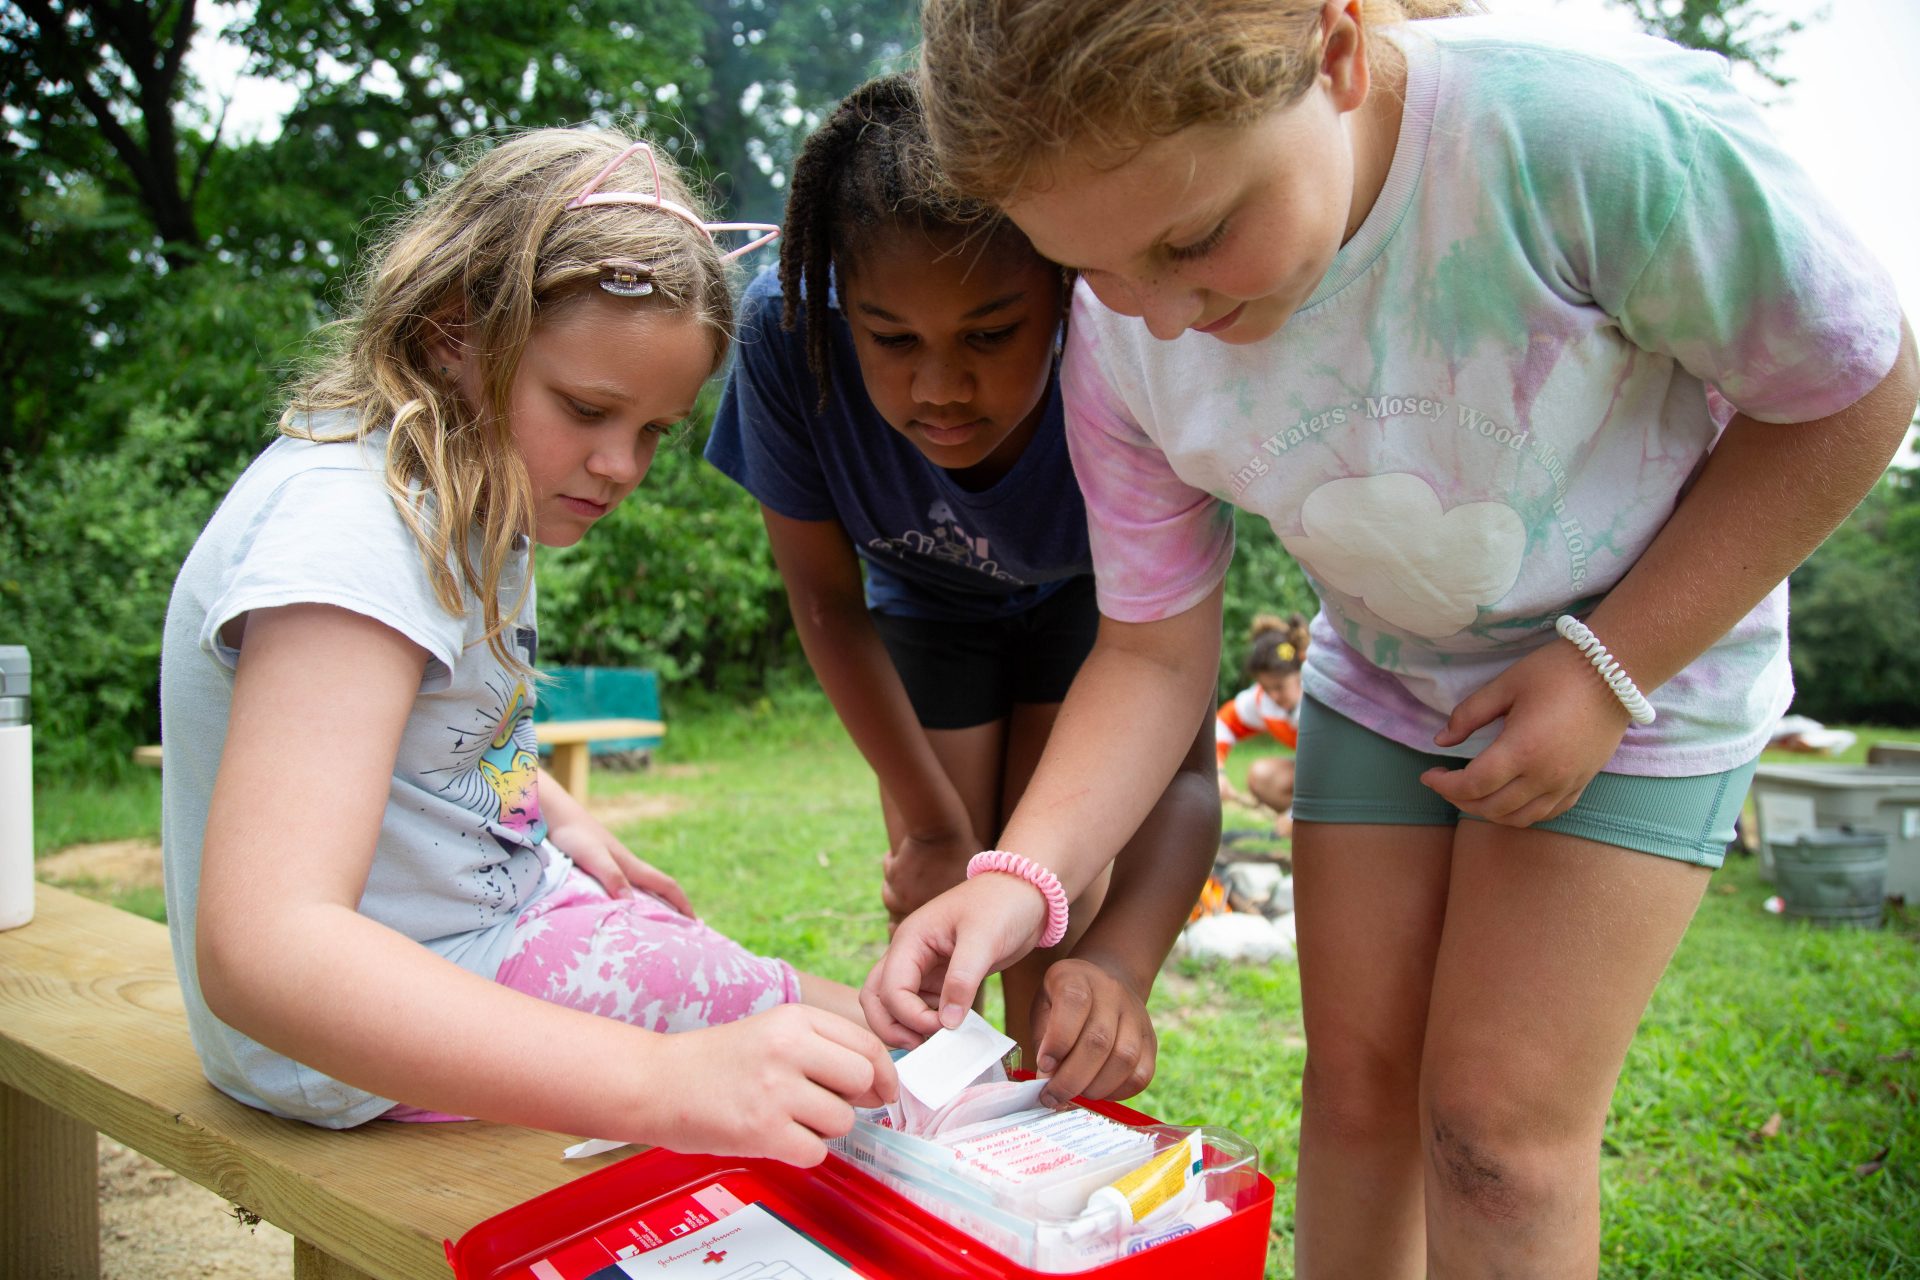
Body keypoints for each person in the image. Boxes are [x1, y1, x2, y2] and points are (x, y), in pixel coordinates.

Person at [873, 2, 1920, 1273]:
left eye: (1196, 237)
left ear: (1338, 46)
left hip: (1648, 665)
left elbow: (1856, 381)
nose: (1158, 316)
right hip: (1384, 676)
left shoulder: (1578, 139)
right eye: (1091, 268)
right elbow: (1151, 653)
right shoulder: (1122, 335)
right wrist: (1016, 878)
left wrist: (1608, 666)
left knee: (1496, 1134)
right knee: (1359, 1096)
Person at [159, 128, 895, 1168]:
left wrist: (551, 807)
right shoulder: (349, 536)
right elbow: (265, 947)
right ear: (454, 328)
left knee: (766, 1007)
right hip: (345, 1033)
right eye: (589, 410)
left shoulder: (459, 488)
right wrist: (665, 1083)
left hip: (476, 925)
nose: (621, 463)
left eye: (652, 429)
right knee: (823, 1046)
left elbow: (429, 733)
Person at [706, 75, 1218, 1102]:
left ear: (1070, 292)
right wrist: (935, 825)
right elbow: (824, 599)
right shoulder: (784, 336)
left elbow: (1180, 765)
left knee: (1050, 906)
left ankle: (1044, 1143)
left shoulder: (1134, 335)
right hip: (920, 602)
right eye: (891, 340)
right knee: (940, 912)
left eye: (990, 334)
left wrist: (1117, 968)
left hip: (1093, 603)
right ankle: (941, 1150)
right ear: (838, 301)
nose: (939, 387)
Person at [1217, 613, 1310, 838]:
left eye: (1279, 686)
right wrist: (1217, 773)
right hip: (1317, 772)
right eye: (1267, 688)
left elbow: (1332, 768)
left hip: (1348, 776)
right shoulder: (1264, 701)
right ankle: (1311, 828)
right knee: (1262, 775)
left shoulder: (1319, 699)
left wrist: (1293, 814)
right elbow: (1223, 724)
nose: (1273, 696)